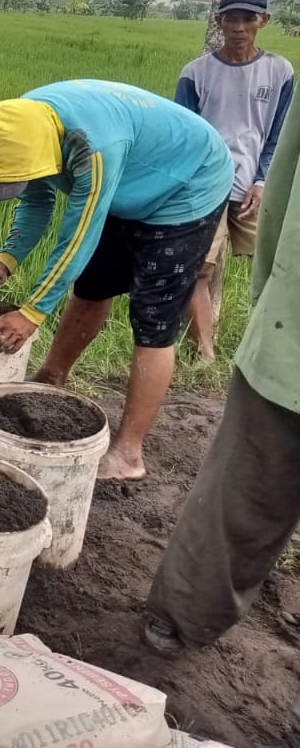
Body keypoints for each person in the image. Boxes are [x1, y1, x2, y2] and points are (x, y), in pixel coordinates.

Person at [0, 80, 233, 480]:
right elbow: (37, 199)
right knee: (92, 285)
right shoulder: (20, 124)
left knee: (152, 319)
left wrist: (32, 312)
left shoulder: (92, 147)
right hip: (130, 179)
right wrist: (5, 261)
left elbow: (78, 237)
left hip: (187, 185)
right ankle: (52, 378)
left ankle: (128, 455)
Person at [143, 101, 300, 677]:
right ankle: (185, 612)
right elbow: (282, 186)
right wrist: (272, 302)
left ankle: (181, 614)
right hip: (293, 343)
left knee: (246, 485)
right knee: (248, 484)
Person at [176, 0, 293, 363]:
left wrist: (262, 181)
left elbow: (278, 133)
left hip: (255, 186)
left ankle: (266, 350)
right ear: (219, 20)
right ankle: (206, 353)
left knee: (278, 266)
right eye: (231, 18)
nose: (239, 27)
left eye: (248, 18)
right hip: (208, 186)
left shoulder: (279, 72)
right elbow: (186, 136)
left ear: (263, 20)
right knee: (202, 270)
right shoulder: (196, 73)